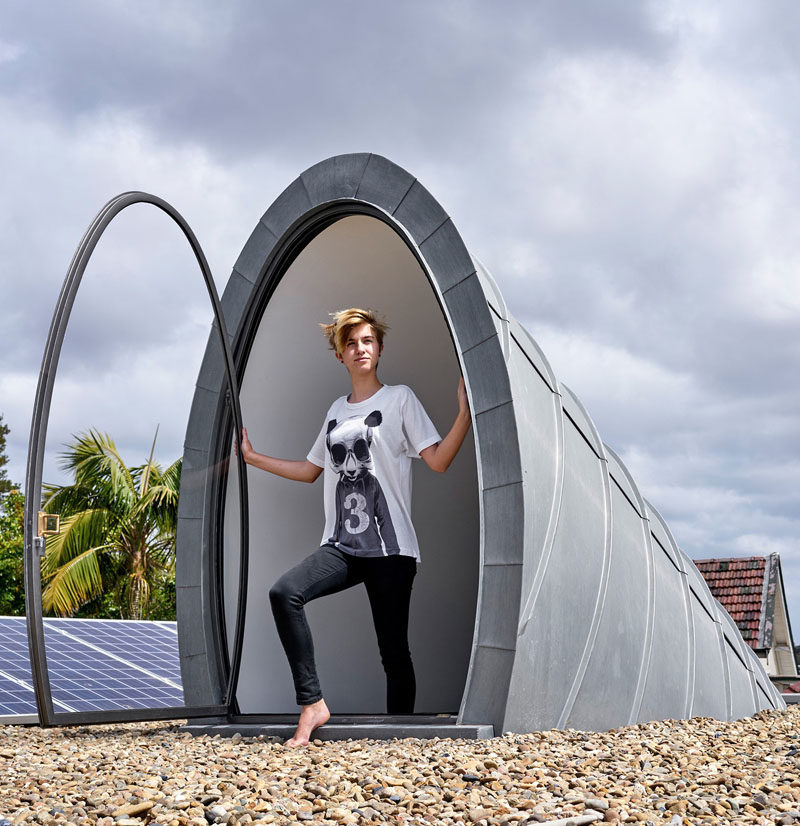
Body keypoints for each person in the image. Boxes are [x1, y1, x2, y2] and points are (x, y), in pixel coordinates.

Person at [239, 308, 471, 747]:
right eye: (350, 343)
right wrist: (254, 458)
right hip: (342, 545)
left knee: (393, 652)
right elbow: (310, 470)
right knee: (284, 593)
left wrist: (465, 416)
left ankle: (401, 739)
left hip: (391, 548)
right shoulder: (335, 411)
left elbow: (438, 460)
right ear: (340, 356)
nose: (359, 348)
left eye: (366, 340)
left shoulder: (400, 399)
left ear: (379, 348)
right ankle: (313, 704)